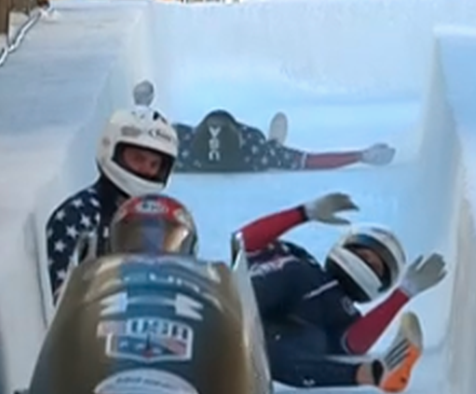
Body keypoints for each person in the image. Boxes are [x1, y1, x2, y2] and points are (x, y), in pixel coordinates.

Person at [236, 191, 447, 394]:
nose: (368, 264)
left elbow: (353, 343)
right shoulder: (297, 258)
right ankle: (231, 313)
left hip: (255, 345)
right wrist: (303, 213)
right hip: (229, 301)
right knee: (295, 273)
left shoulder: (345, 314)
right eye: (365, 256)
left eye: (375, 267)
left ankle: (378, 373)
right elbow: (242, 242)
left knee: (307, 343)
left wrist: (404, 293)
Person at [45, 105, 180, 300]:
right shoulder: (77, 216)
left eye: (154, 164)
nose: (146, 170)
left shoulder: (167, 220)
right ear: (112, 149)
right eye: (138, 159)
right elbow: (63, 305)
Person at [173, 109, 396, 173]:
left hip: (192, 147)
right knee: (274, 153)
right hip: (257, 149)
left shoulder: (178, 149)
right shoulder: (255, 153)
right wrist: (360, 156)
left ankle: (276, 146)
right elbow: (310, 161)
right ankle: (276, 145)